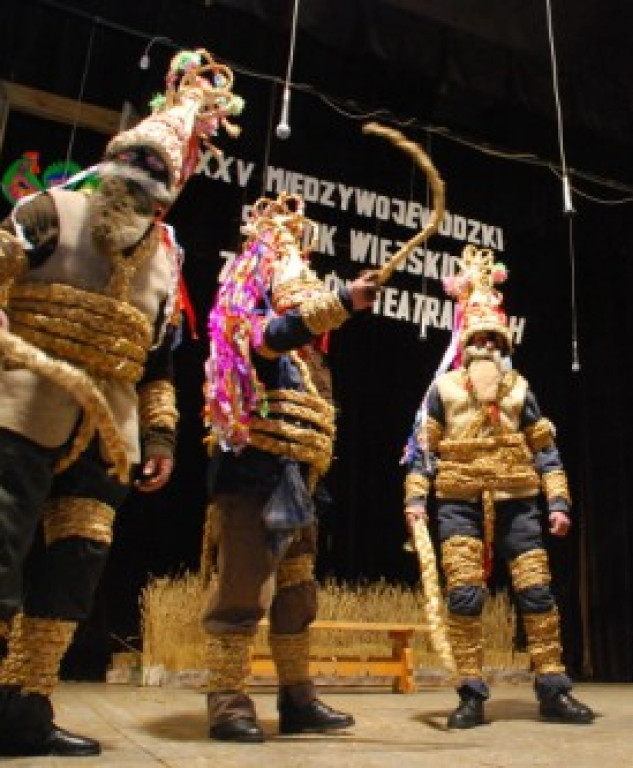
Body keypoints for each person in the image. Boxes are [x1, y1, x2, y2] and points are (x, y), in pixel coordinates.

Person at [0, 49, 242, 757]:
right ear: (110, 163)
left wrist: (161, 441)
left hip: (107, 435)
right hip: (20, 412)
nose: (143, 185)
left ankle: (27, 706)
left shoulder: (165, 262)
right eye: (135, 166)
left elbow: (159, 365)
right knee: (2, 549)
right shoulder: (48, 211)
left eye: (158, 178)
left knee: (74, 567)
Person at [200, 192, 379, 743]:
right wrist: (344, 299)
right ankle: (228, 704)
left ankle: (298, 698)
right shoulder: (245, 319)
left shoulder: (312, 362)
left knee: (297, 593)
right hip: (253, 473)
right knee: (241, 591)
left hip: (301, 478)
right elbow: (271, 336)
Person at [403, 245, 594, 729]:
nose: (486, 348)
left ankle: (552, 687)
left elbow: (544, 448)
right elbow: (423, 449)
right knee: (465, 597)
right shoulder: (443, 390)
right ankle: (470, 692)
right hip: (458, 503)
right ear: (465, 344)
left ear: (505, 346)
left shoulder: (520, 390)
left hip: (517, 501)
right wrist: (415, 497)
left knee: (536, 594)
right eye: (479, 339)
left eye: (494, 341)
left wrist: (558, 502)